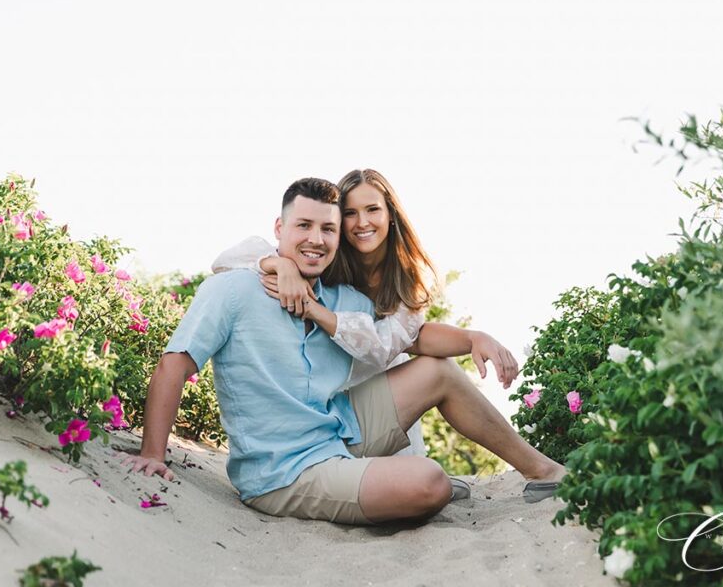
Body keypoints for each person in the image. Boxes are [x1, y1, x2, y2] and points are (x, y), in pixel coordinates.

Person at [123, 177, 563, 524]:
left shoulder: (342, 299)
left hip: (340, 432)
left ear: (339, 238)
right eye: (304, 226)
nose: (316, 239)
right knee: (429, 483)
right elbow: (173, 366)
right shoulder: (233, 289)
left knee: (439, 372)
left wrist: (473, 339)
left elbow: (409, 338)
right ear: (279, 229)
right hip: (284, 472)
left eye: (328, 229)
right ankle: (415, 484)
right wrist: (152, 455)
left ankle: (545, 472)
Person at [211, 169, 522, 466]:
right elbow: (225, 260)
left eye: (372, 209)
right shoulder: (323, 254)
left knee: (432, 378)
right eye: (349, 213)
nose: (362, 222)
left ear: (390, 214)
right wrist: (279, 265)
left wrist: (473, 338)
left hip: (377, 388)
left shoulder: (406, 276)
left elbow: (398, 341)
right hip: (325, 391)